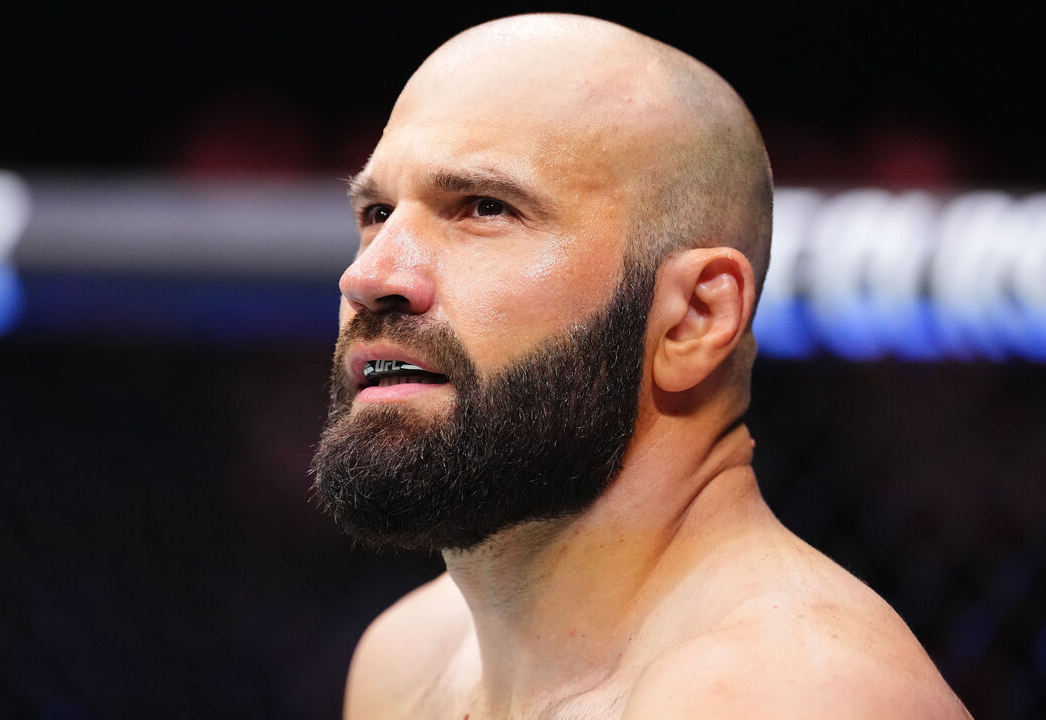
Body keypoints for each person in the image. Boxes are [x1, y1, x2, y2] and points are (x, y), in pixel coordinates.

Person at [311, 13, 971, 719]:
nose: (369, 276)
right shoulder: (406, 659)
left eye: (485, 208)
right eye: (377, 212)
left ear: (695, 318)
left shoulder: (788, 695)